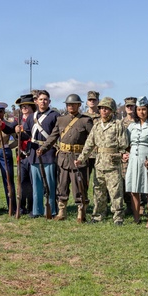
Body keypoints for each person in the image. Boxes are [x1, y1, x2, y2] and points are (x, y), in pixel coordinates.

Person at [76, 97, 129, 224]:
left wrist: (119, 156)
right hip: (99, 163)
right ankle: (98, 215)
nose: (104, 111)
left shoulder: (118, 125)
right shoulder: (97, 126)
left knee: (115, 191)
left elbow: (124, 145)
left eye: (107, 109)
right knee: (98, 191)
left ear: (112, 111)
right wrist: (81, 159)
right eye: (102, 108)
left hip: (113, 164)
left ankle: (118, 217)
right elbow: (89, 144)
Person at [41, 93, 93, 221]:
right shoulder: (61, 120)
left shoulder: (86, 120)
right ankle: (62, 211)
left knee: (79, 186)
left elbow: (92, 139)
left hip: (78, 157)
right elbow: (53, 137)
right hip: (63, 158)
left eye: (73, 104)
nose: (70, 106)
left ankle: (81, 211)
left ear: (79, 105)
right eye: (69, 104)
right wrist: (43, 148)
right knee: (62, 185)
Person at [125, 96, 148, 226]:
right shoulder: (132, 126)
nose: (141, 112)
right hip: (133, 159)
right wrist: (126, 153)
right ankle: (136, 217)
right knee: (134, 188)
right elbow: (126, 142)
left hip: (147, 159)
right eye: (139, 109)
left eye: (144, 109)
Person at [0, 101, 18, 215]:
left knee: (8, 180)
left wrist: (8, 147)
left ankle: (12, 207)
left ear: (4, 112)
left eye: (0, 112)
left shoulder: (9, 124)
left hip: (5, 150)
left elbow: (16, 139)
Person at [14, 94, 35, 215]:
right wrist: (2, 125)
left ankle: (32, 207)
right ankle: (21, 208)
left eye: (26, 106)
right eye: (22, 106)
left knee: (32, 184)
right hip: (22, 156)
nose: (24, 108)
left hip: (33, 155)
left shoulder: (36, 119)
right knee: (22, 183)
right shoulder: (18, 120)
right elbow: (8, 128)